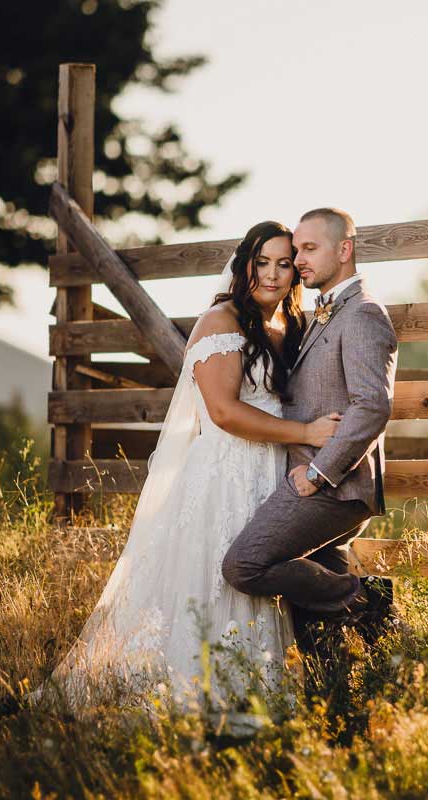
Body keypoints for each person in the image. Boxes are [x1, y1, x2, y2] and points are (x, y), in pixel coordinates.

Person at [39, 221, 340, 724]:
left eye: (284, 264)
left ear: (295, 272)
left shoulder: (289, 325)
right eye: (262, 262)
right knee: (217, 576)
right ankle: (187, 691)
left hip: (270, 470)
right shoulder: (221, 321)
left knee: (259, 571)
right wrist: (308, 433)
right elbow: (223, 412)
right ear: (244, 265)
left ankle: (253, 693)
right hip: (226, 473)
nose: (272, 274)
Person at [222, 207, 398, 654]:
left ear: (344, 249)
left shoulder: (362, 313)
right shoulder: (322, 313)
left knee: (244, 566)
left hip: (332, 485)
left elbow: (372, 406)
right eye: (296, 251)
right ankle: (340, 683)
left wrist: (319, 474)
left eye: (309, 249)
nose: (299, 260)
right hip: (309, 477)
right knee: (315, 621)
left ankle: (369, 600)